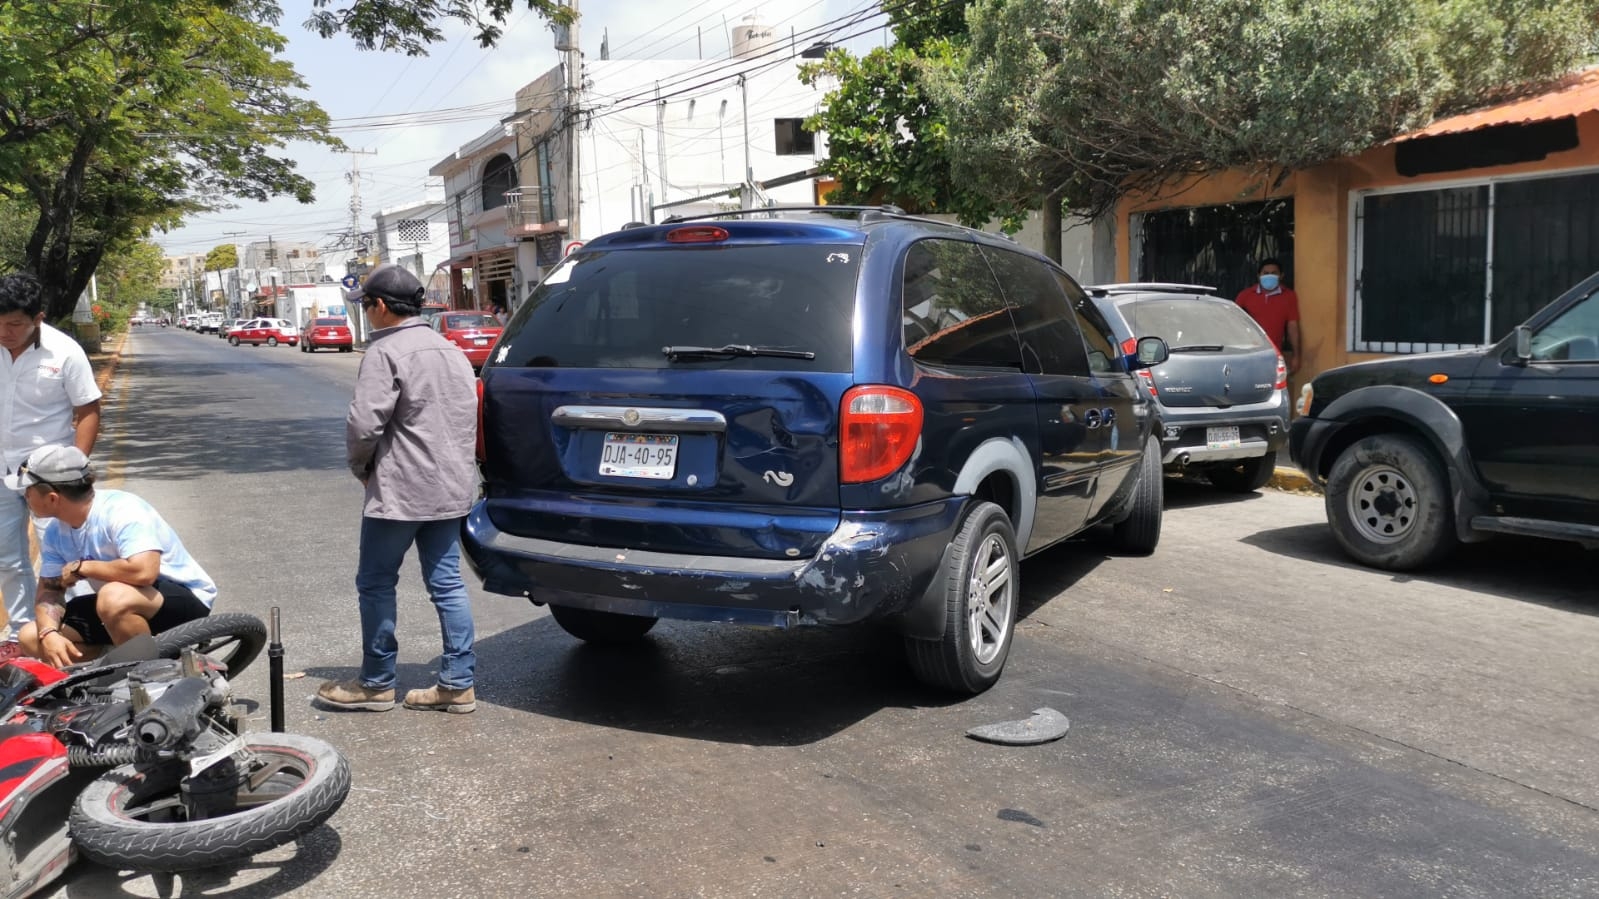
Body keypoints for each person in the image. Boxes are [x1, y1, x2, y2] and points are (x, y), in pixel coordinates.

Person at [316, 264, 480, 714]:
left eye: (366, 305)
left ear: (381, 306)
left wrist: (361, 466)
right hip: (449, 488)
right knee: (447, 585)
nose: (366, 314)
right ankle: (457, 682)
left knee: (375, 582)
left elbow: (364, 423)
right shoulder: (451, 350)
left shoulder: (386, 352)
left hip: (401, 491)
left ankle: (376, 681)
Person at [8, 445, 215, 668]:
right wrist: (49, 634)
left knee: (112, 597)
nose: (25, 496)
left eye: (28, 489)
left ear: (52, 498)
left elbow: (144, 571)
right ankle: (116, 660)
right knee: (30, 635)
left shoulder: (122, 510)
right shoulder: (55, 532)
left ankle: (154, 672)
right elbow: (50, 592)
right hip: (118, 608)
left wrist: (83, 567)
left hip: (179, 599)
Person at [0, 272, 102, 662]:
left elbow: (88, 409)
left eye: (14, 324)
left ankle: (74, 631)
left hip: (48, 475)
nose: (5, 332)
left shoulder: (64, 352)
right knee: (7, 557)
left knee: (63, 558)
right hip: (0, 468)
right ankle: (22, 632)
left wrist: (76, 466)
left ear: (37, 318)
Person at [1235, 258, 1302, 375]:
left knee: (1273, 389)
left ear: (1281, 276)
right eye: (1265, 273)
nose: (1269, 276)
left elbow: (1292, 326)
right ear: (1259, 276)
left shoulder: (1289, 296)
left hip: (1273, 355)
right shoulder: (1245, 296)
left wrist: (1296, 355)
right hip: (1247, 355)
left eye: (1274, 273)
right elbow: (1232, 322)